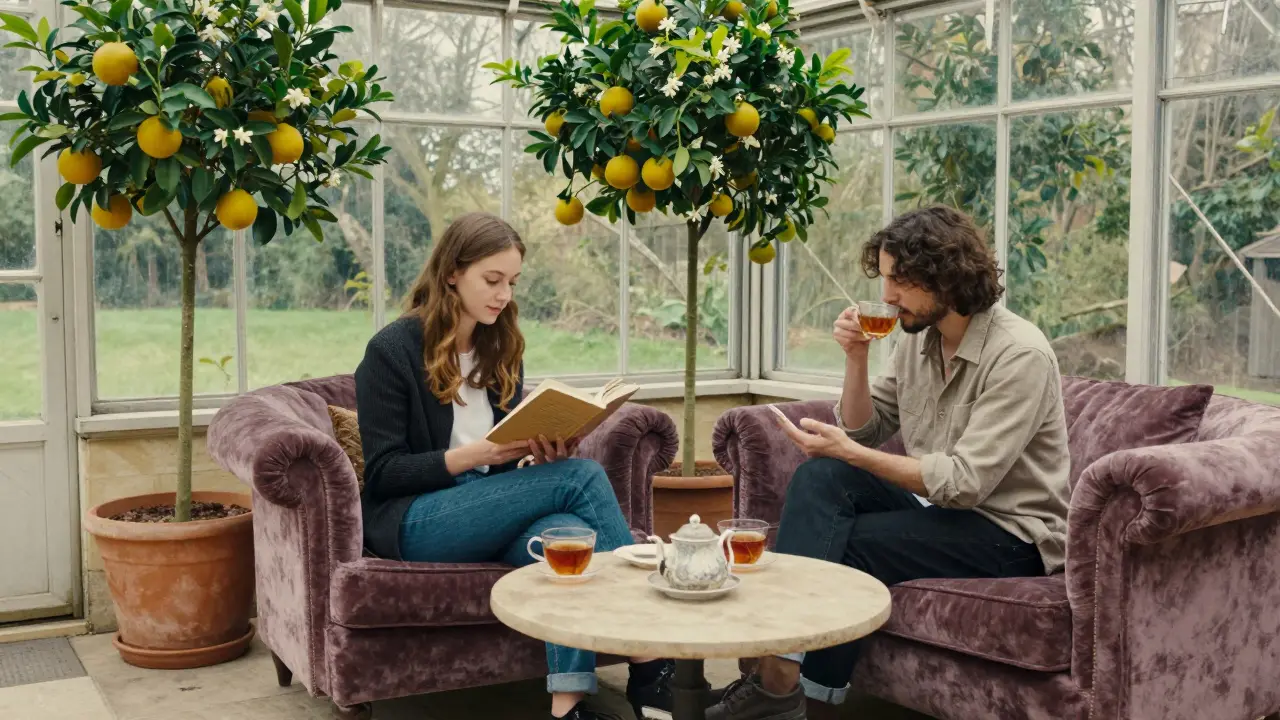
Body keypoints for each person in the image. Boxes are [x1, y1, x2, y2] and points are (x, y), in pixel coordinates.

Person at [707, 206, 1071, 720]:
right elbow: (866, 427)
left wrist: (852, 452)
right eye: (884, 278)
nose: (887, 295)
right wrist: (855, 358)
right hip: (940, 510)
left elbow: (965, 484)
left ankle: (790, 690)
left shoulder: (1018, 355)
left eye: (901, 280)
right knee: (821, 476)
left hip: (1010, 534)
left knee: (847, 545)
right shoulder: (915, 340)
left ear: (947, 275)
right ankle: (780, 679)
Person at [354, 212, 675, 720]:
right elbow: (385, 472)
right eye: (492, 279)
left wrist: (541, 455)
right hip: (417, 520)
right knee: (583, 477)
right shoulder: (391, 351)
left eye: (512, 282)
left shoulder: (499, 346)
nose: (504, 295)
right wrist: (475, 454)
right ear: (452, 273)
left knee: (567, 538)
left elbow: (506, 467)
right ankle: (652, 659)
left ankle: (567, 706)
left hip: (489, 510)